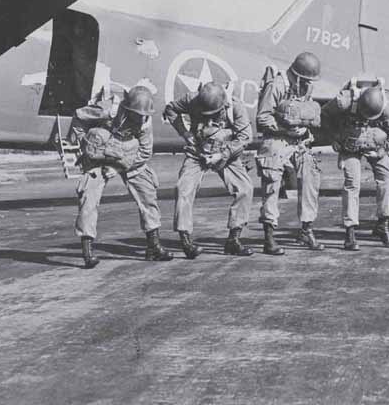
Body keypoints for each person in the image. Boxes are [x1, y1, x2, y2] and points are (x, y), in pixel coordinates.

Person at [68, 85, 172, 268]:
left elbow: (145, 152)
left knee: (147, 192)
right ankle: (87, 253)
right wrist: (84, 144)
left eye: (144, 114)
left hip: (128, 157)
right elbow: (79, 116)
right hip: (100, 155)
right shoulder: (107, 110)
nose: (141, 118)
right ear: (127, 108)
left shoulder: (144, 122)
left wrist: (118, 168)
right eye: (137, 114)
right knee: (88, 197)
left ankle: (153, 247)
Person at [163, 82, 255, 259]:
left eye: (214, 114)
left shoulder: (235, 107)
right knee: (183, 189)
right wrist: (184, 133)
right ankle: (186, 242)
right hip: (198, 151)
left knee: (245, 188)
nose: (210, 118)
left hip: (226, 153)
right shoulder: (192, 99)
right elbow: (171, 109)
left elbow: (245, 137)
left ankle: (233, 240)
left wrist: (222, 154)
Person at [255, 52, 324, 255]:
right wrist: (284, 129)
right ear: (299, 75)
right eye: (308, 80)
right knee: (272, 179)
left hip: (297, 141)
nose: (309, 84)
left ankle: (306, 229)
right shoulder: (276, 85)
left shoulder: (305, 87)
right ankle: (269, 236)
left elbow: (304, 112)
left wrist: (304, 129)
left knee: (311, 174)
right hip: (276, 138)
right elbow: (262, 118)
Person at [322, 78, 389, 249]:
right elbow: (325, 114)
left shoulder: (385, 105)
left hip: (375, 144)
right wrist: (333, 137)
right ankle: (350, 233)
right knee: (352, 183)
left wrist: (382, 150)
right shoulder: (344, 100)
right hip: (349, 144)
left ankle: (383, 224)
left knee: (387, 177)